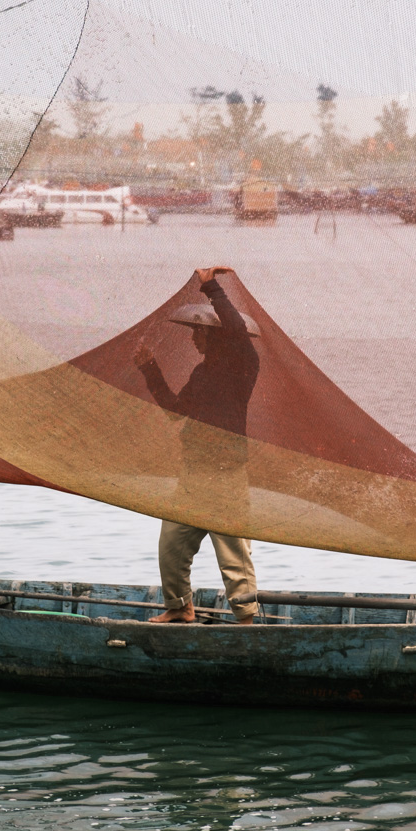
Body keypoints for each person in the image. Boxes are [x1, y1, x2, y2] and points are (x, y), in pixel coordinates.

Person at [133, 266, 262, 624]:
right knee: (171, 548)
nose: (193, 339)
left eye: (199, 333)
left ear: (216, 335)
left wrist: (211, 287)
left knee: (234, 553)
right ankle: (179, 607)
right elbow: (175, 412)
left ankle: (247, 620)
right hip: (193, 472)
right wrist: (150, 369)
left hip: (226, 473)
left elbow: (236, 329)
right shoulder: (201, 373)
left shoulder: (243, 363)